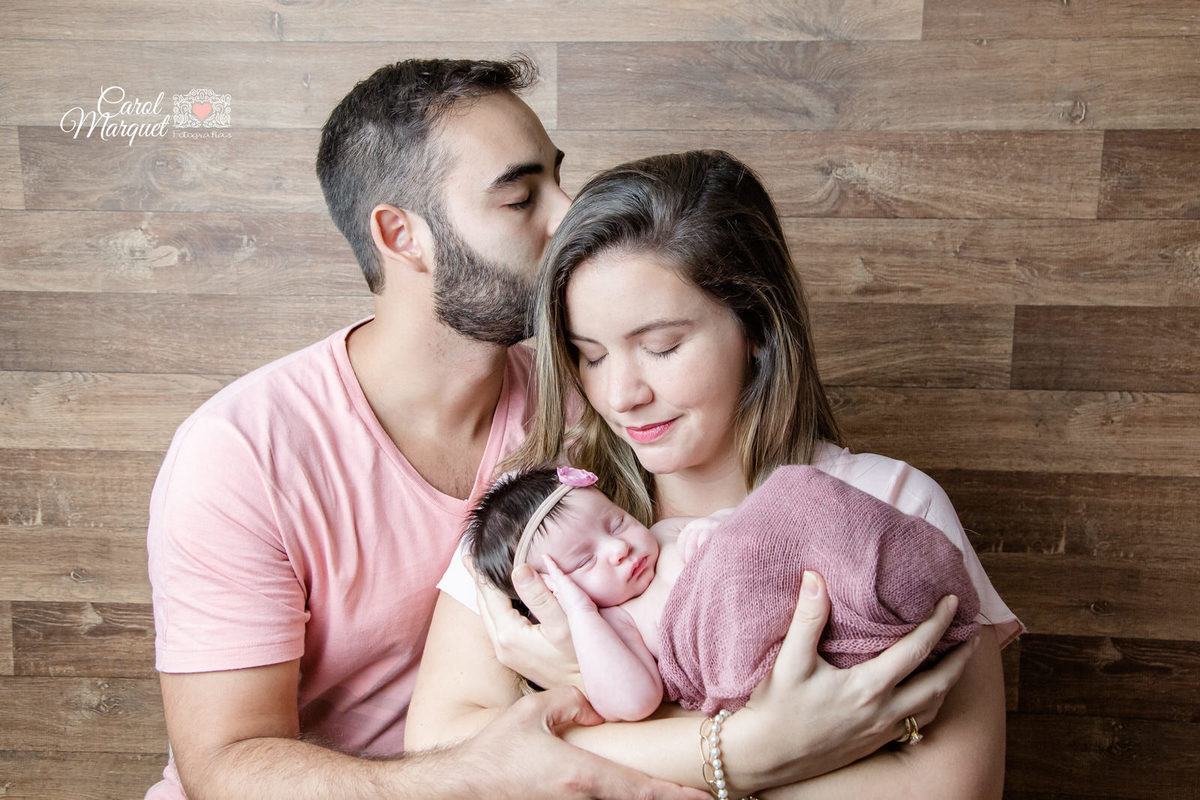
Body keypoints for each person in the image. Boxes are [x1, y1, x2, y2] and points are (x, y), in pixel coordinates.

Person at [144, 56, 708, 800]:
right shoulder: (240, 454)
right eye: (519, 197)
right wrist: (471, 775)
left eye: (559, 178)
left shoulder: (593, 403)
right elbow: (224, 766)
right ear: (403, 235)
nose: (570, 214)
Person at [407, 150, 1023, 797]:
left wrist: (579, 720)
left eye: (663, 347)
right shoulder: (539, 517)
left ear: (757, 326)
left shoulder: (885, 503)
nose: (621, 395)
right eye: (589, 355)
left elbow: (952, 791)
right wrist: (752, 747)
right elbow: (441, 757)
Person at [465, 463, 981, 723]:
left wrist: (711, 534)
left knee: (791, 487)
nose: (618, 549)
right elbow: (634, 700)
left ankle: (891, 570)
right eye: (583, 562)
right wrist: (579, 612)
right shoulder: (613, 622)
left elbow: (759, 536)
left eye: (616, 523)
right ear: (550, 592)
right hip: (735, 649)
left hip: (786, 593)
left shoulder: (665, 534)